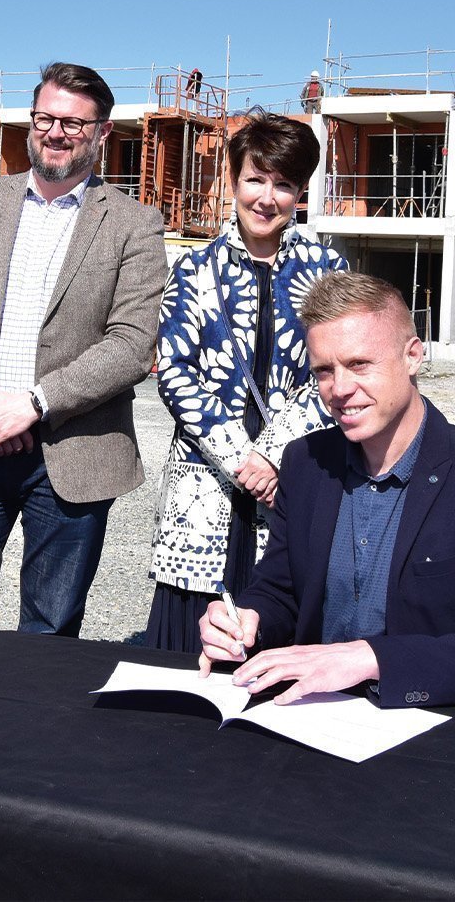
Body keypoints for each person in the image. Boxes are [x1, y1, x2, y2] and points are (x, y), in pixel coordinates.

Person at [199, 271, 455, 707]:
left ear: (412, 357)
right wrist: (248, 619)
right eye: (324, 371)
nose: (341, 389)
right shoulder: (305, 463)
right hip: (305, 722)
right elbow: (282, 590)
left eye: (359, 364)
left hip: (430, 740)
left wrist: (372, 658)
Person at [0, 62, 167, 636]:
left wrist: (33, 402)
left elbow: (131, 343)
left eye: (73, 124)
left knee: (50, 632)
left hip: (74, 457)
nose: (55, 133)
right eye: (45, 118)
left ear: (102, 133)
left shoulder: (134, 225)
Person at [145, 113, 347, 652]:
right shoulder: (193, 268)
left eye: (283, 184)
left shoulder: (326, 269)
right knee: (189, 650)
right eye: (256, 179)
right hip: (205, 479)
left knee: (275, 618)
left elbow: (334, 371)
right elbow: (176, 372)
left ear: (300, 192)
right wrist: (241, 459)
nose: (267, 197)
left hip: (293, 473)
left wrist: (272, 458)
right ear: (233, 180)